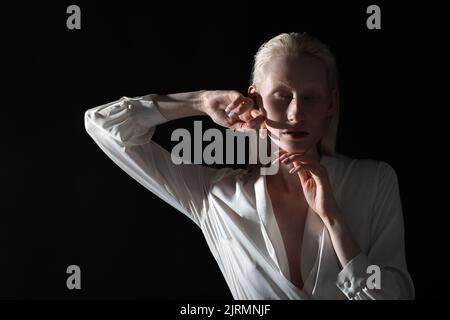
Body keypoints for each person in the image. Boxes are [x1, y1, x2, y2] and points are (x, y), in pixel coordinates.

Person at [84, 32, 414, 299]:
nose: (296, 113)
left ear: (331, 103)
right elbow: (102, 125)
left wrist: (335, 220)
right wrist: (198, 101)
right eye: (282, 96)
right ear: (255, 98)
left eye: (310, 97)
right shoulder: (214, 196)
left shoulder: (375, 181)